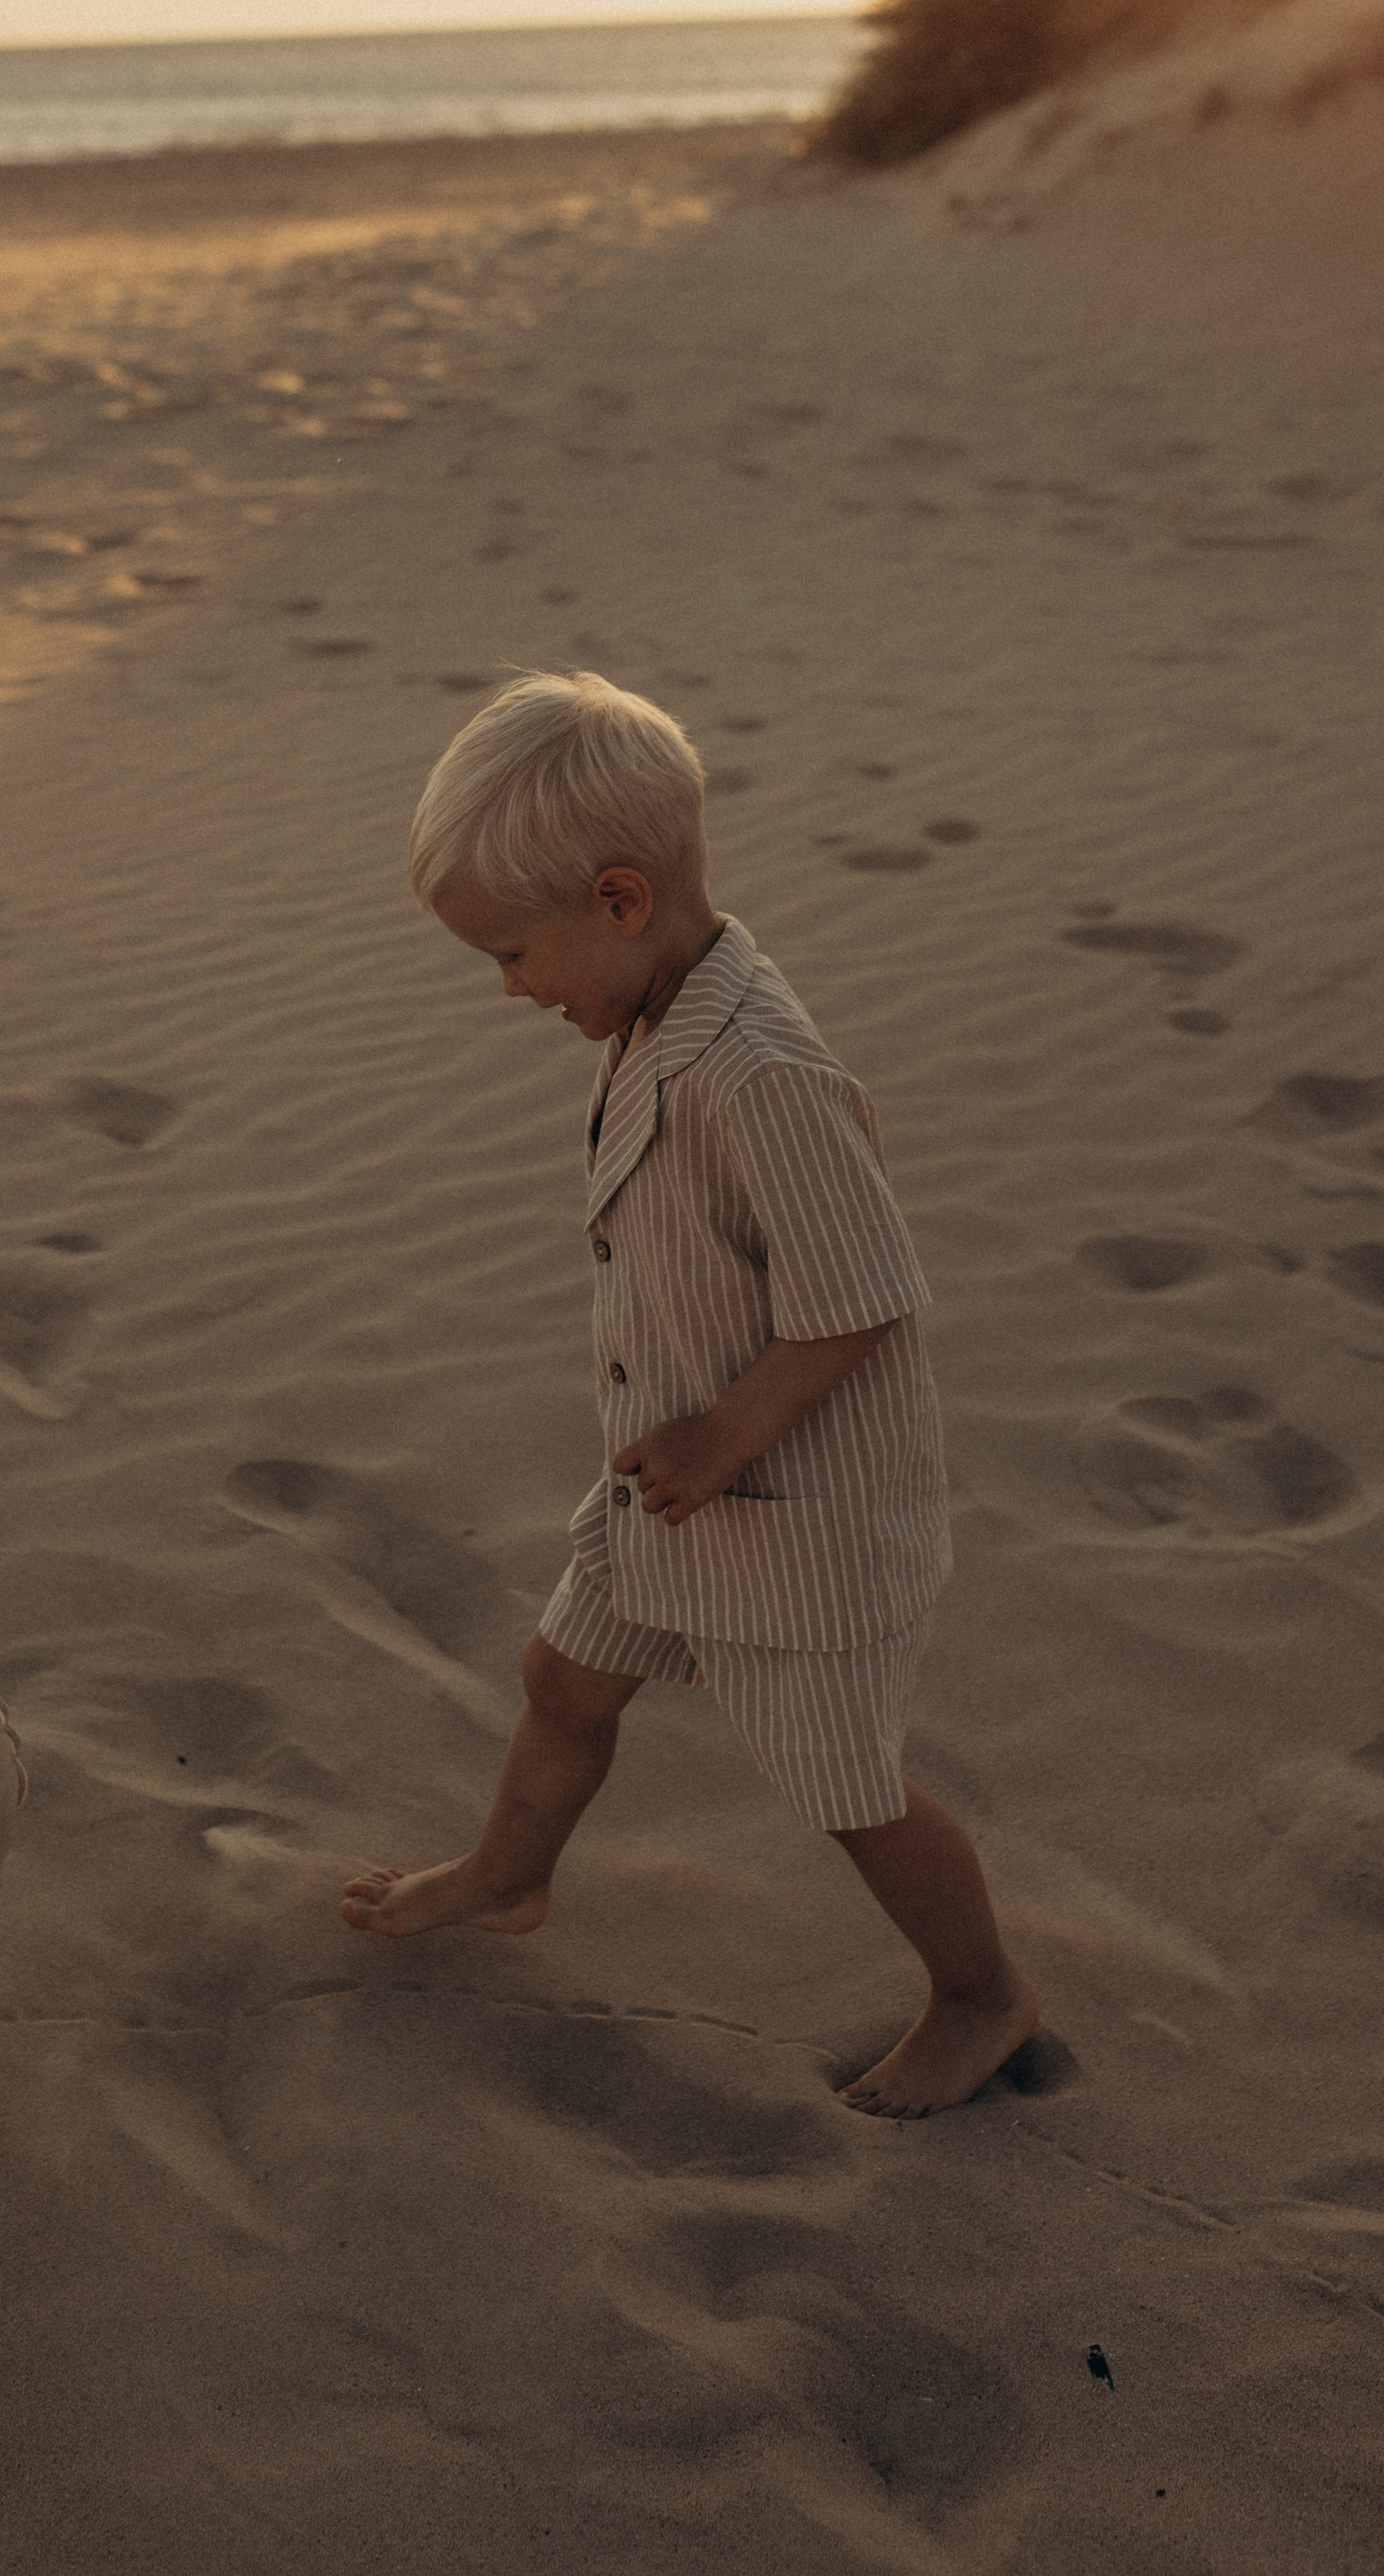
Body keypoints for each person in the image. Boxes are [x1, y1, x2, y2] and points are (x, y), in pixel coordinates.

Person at [342, 670, 1039, 2115]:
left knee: (849, 1791)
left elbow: (863, 1293)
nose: (509, 988)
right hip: (667, 1490)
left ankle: (984, 1997)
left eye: (512, 953)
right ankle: (512, 1875)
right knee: (563, 1676)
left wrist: (725, 1434)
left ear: (617, 900)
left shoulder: (761, 1074)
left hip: (794, 1513)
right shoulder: (656, 1015)